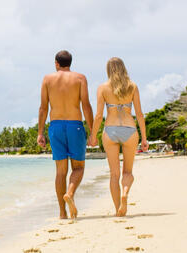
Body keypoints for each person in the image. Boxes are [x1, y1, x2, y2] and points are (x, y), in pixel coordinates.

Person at [88, 57, 148, 217]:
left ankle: (117, 210)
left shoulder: (102, 88)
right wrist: (144, 138)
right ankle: (125, 193)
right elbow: (140, 114)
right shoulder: (132, 86)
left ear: (108, 70)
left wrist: (93, 136)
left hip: (110, 130)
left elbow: (99, 115)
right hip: (129, 130)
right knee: (127, 172)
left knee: (114, 174)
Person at [37, 50, 94, 220]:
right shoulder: (80, 78)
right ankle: (69, 193)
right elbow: (86, 105)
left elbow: (43, 108)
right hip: (74, 125)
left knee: (60, 172)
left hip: (55, 126)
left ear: (56, 63)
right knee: (78, 168)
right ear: (70, 62)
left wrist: (40, 132)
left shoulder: (47, 79)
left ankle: (62, 213)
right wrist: (92, 131)